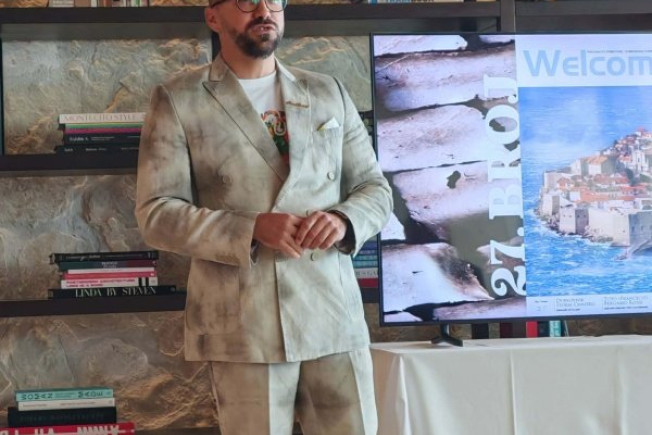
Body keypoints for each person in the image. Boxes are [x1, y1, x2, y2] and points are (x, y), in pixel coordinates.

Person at [135, 0, 392, 432]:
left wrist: (344, 220)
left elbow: (375, 190)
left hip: (332, 315)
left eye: (274, 1)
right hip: (243, 326)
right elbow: (156, 213)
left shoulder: (327, 91)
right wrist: (250, 228)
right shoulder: (179, 98)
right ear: (212, 17)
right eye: (246, 1)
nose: (263, 11)